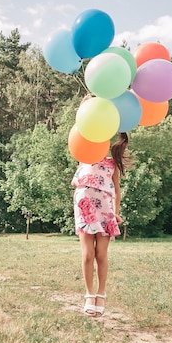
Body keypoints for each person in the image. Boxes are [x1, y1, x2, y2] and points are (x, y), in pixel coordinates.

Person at [71, 131, 129, 317]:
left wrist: (116, 212)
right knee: (88, 254)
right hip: (84, 208)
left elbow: (117, 191)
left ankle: (101, 293)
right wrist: (87, 102)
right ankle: (89, 295)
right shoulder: (83, 156)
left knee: (101, 254)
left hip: (104, 210)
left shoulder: (112, 163)